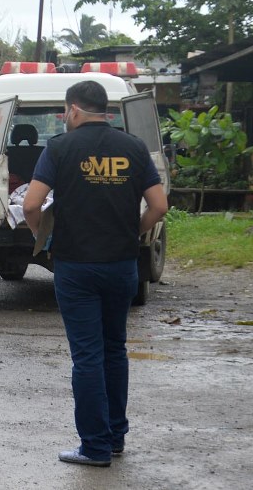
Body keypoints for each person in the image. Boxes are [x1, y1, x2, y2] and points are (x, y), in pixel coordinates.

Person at [22, 81, 168, 467]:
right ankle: (115, 438)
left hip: (76, 265)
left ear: (73, 111)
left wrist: (43, 236)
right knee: (114, 350)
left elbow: (32, 204)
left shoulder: (59, 148)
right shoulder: (134, 147)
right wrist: (133, 232)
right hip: (122, 265)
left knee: (87, 356)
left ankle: (95, 447)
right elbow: (159, 205)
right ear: (107, 111)